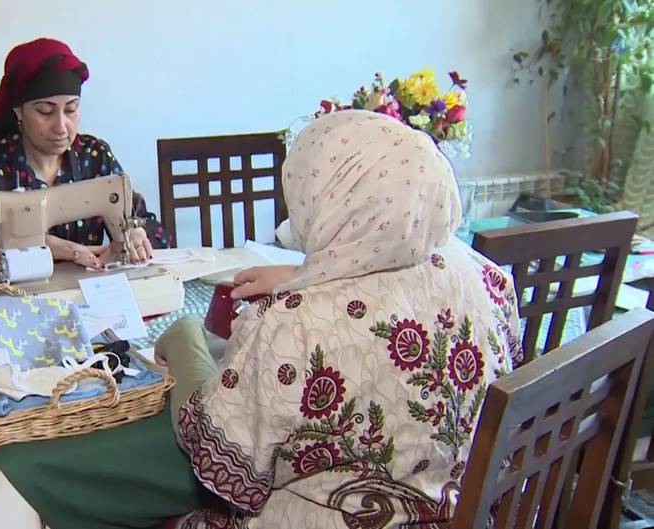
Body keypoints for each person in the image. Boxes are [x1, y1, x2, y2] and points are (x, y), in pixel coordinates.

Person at [156, 109, 522, 528]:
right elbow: (399, 284)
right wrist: (307, 276)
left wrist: (184, 339)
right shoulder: (486, 275)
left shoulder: (291, 325)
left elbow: (231, 471)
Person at [0, 38, 167, 273]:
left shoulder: (95, 155)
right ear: (18, 111)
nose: (61, 126)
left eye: (71, 109)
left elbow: (151, 228)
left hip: (91, 294)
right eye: (45, 111)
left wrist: (137, 235)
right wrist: (37, 246)